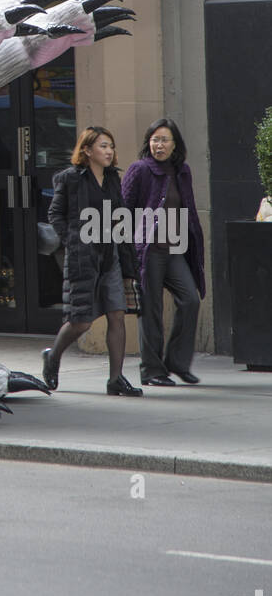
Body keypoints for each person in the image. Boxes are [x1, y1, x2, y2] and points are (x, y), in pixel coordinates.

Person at [42, 126, 142, 397]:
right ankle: (53, 357)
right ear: (87, 150)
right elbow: (55, 214)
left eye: (111, 146)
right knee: (81, 321)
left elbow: (120, 214)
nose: (109, 151)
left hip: (111, 255)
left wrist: (125, 250)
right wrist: (72, 240)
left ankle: (116, 379)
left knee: (117, 314)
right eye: (103, 146)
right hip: (83, 257)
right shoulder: (70, 179)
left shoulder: (112, 179)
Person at [121, 118, 205, 386]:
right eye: (155, 139)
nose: (159, 145)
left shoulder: (182, 171)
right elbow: (123, 210)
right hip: (148, 251)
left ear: (174, 144)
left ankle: (177, 363)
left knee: (190, 299)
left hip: (175, 249)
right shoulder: (140, 170)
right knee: (151, 309)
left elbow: (188, 209)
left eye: (164, 140)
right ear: (149, 143)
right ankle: (152, 371)